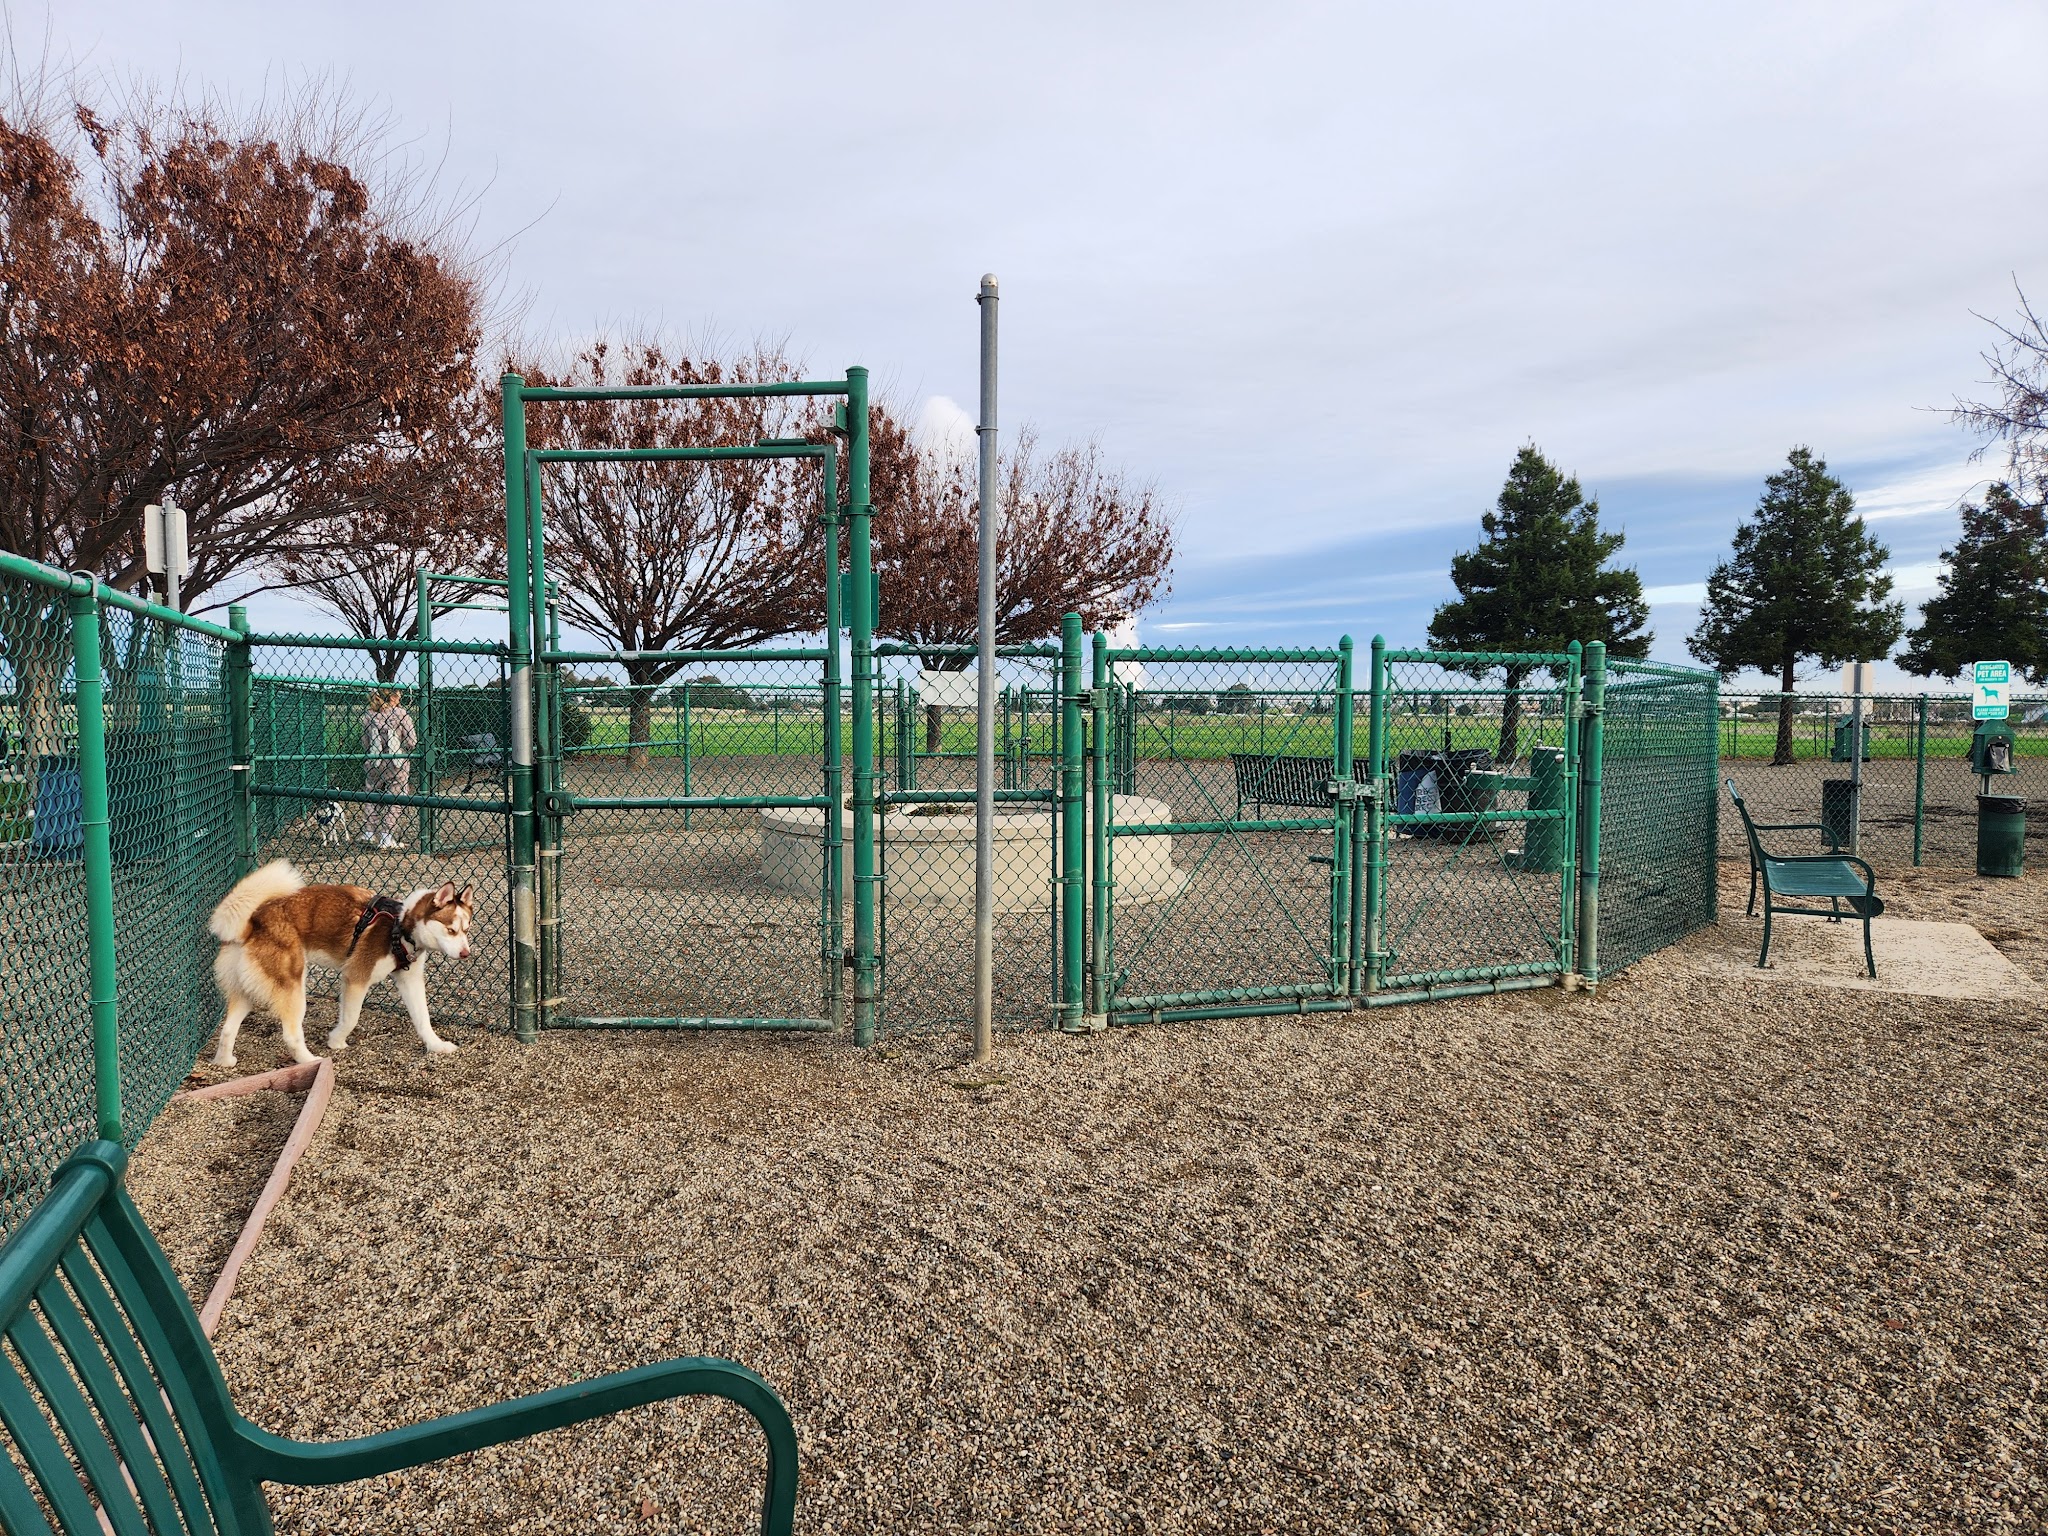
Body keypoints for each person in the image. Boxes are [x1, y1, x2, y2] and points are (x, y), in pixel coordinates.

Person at [361, 689, 418, 849]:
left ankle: (368, 833)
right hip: (396, 762)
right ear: (392, 696)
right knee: (396, 796)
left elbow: (365, 742)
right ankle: (386, 836)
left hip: (374, 761)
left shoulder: (368, 715)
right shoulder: (401, 714)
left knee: (371, 795)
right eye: (398, 695)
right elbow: (412, 741)